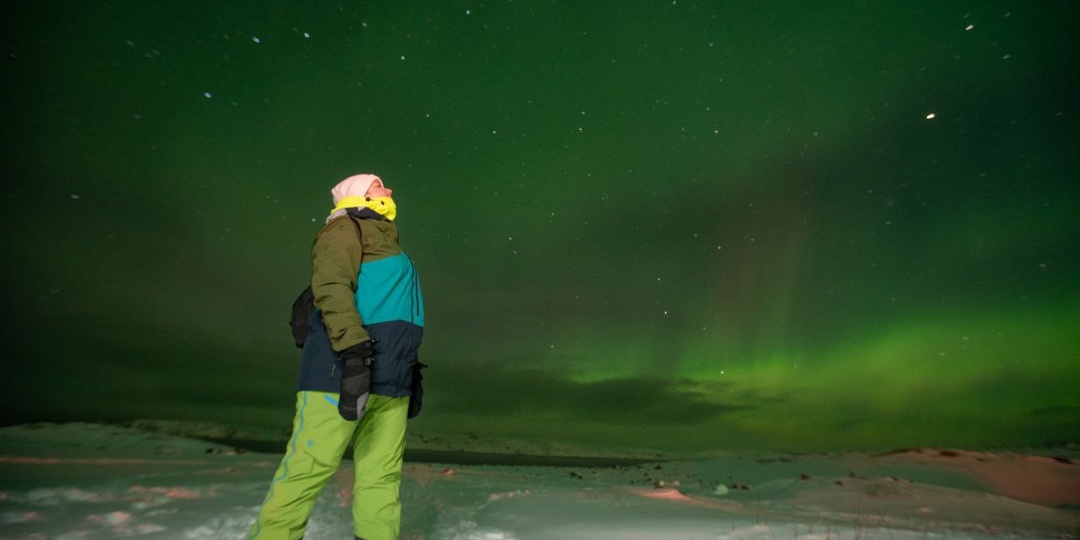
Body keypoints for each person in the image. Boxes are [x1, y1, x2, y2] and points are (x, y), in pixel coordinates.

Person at [250, 173, 425, 540]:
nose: (389, 190)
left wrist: (410, 368)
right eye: (379, 185)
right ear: (359, 193)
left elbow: (394, 311)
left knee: (382, 475)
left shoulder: (392, 245)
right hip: (338, 372)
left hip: (390, 379)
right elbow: (331, 290)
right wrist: (355, 354)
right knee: (307, 469)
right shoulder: (344, 229)